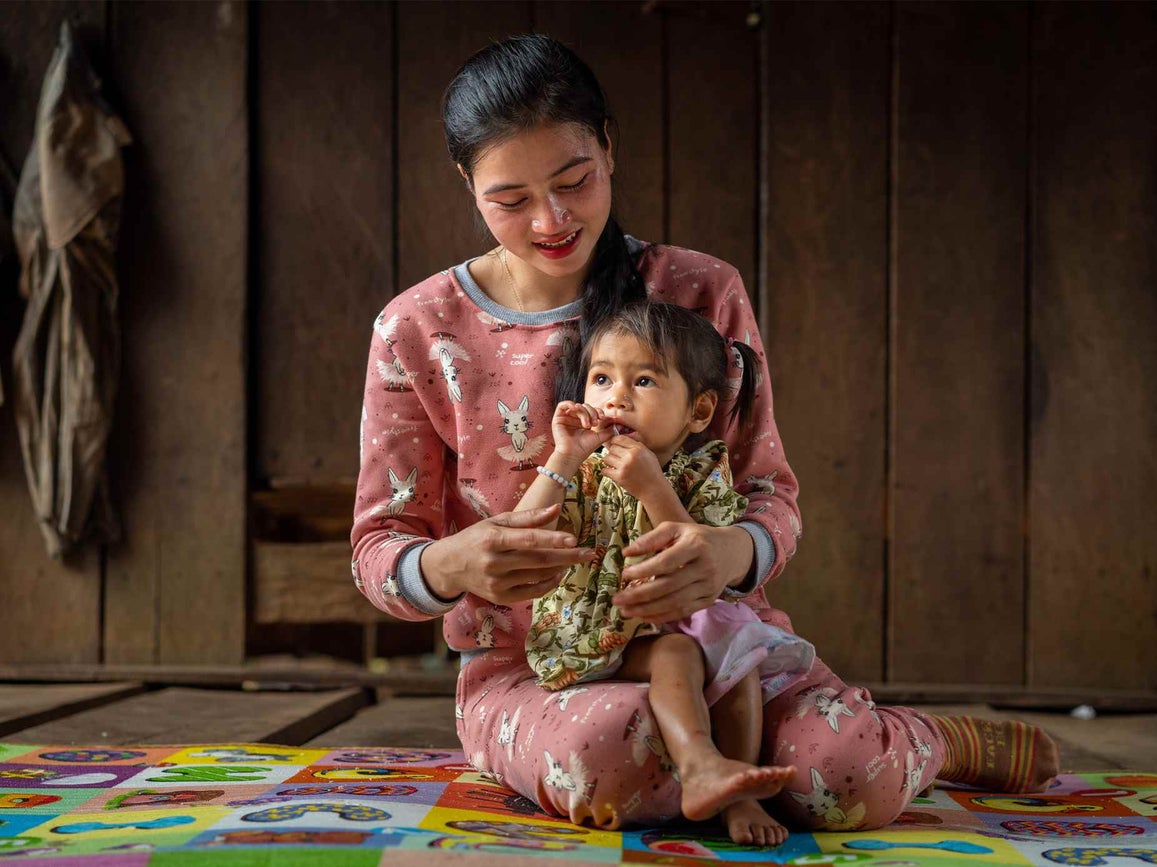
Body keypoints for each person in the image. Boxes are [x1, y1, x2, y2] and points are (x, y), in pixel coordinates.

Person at [352, 32, 1059, 842]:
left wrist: (729, 554)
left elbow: (771, 497)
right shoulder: (417, 329)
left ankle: (937, 741)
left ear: (610, 149)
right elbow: (378, 549)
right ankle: (704, 772)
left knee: (845, 775)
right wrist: (451, 563)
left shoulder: (699, 290)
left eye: (575, 181)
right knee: (606, 750)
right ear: (466, 184)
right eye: (511, 199)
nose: (551, 219)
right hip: (540, 675)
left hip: (723, 651)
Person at [519, 301, 817, 844]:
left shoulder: (704, 470)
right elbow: (523, 530)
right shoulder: (582, 469)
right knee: (680, 653)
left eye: (645, 380)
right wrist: (561, 459)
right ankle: (702, 764)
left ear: (698, 412)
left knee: (739, 652)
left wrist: (653, 487)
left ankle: (736, 789)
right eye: (602, 378)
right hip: (594, 633)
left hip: (678, 624)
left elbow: (699, 559)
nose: (616, 397)